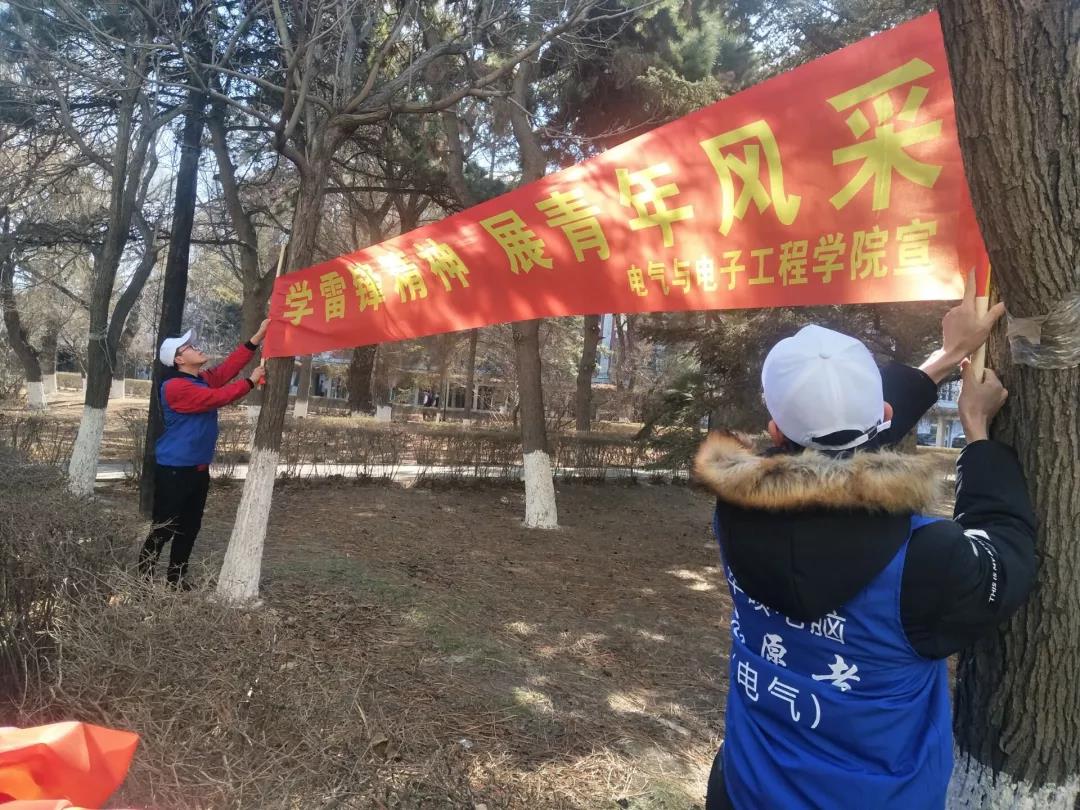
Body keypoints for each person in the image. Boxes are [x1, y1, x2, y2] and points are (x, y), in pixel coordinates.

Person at [693, 278, 1036, 810]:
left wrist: (947, 357)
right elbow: (1008, 553)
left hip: (745, 787)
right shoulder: (926, 558)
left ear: (775, 430)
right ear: (883, 416)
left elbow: (832, 445)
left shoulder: (736, 508)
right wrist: (978, 435)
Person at [138, 320, 269, 588]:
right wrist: (250, 382)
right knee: (164, 527)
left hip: (198, 468)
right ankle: (143, 581)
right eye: (188, 347)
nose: (196, 347)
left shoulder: (199, 379)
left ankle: (176, 580)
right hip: (174, 470)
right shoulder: (175, 386)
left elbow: (226, 370)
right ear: (178, 360)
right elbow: (216, 398)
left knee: (189, 527)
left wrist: (256, 338)